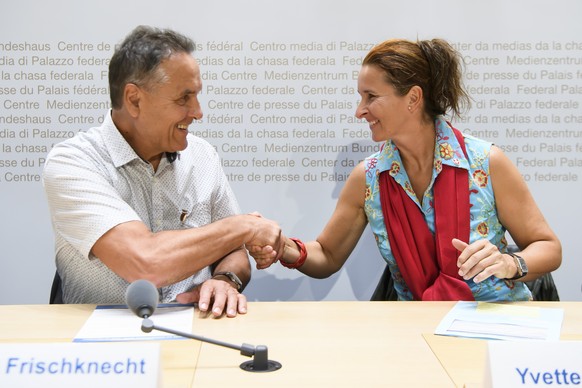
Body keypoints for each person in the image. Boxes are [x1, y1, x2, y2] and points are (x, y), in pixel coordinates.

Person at [248, 38, 562, 301]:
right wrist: (285, 248)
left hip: (497, 327)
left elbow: (548, 248)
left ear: (412, 98)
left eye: (371, 97)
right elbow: (328, 256)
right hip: (414, 333)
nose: (360, 110)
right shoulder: (367, 178)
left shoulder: (487, 162)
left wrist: (510, 263)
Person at [42, 25, 282, 316]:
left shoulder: (203, 155)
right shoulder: (74, 162)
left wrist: (224, 279)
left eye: (197, 96)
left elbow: (233, 251)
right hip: (99, 349)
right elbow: (146, 263)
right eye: (184, 98)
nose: (197, 112)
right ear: (134, 99)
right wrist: (245, 226)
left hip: (198, 332)